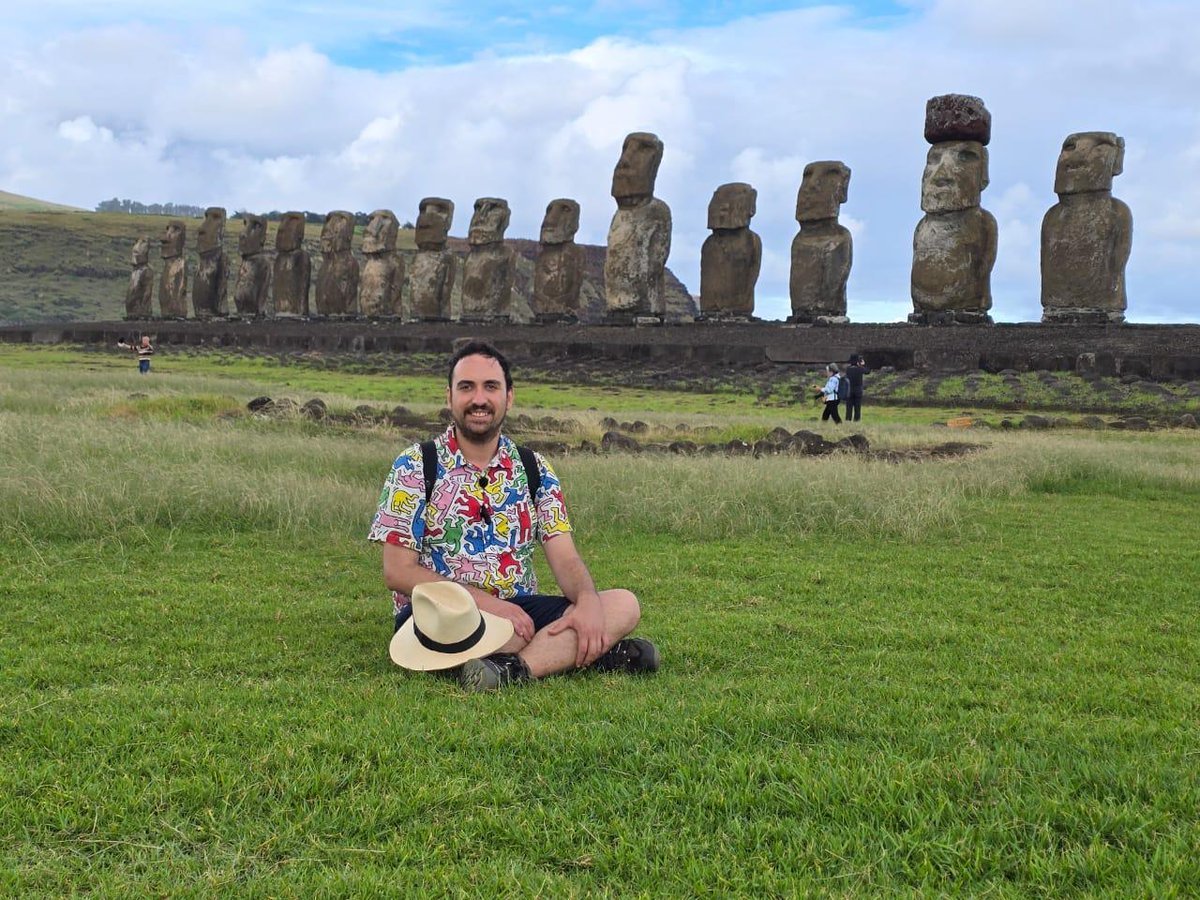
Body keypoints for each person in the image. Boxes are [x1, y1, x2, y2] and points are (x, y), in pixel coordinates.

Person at [368, 340, 660, 692]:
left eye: (491, 387)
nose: (479, 399)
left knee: (623, 605)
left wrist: (586, 603)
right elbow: (398, 572)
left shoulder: (534, 468)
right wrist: (492, 607)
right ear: (449, 397)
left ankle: (514, 669)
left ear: (509, 397)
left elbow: (566, 558)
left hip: (519, 609)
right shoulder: (415, 465)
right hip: (444, 613)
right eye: (467, 387)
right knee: (509, 633)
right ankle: (591, 654)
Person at [845, 354, 868, 422]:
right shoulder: (860, 369)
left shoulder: (848, 369)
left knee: (849, 407)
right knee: (857, 407)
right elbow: (867, 371)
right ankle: (856, 420)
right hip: (858, 390)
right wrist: (862, 365)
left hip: (849, 390)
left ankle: (848, 419)